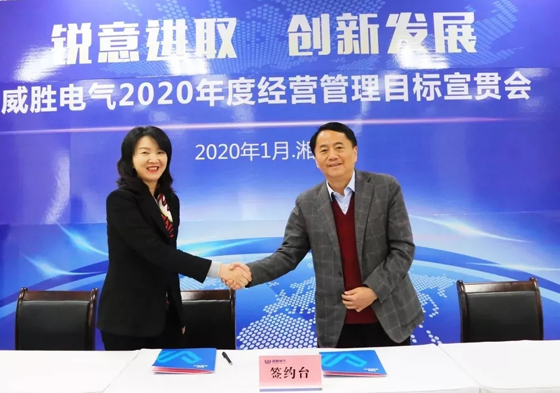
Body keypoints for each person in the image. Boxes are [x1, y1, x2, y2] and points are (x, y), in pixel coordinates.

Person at [225, 122, 423, 348]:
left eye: (339, 147)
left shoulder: (385, 188)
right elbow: (289, 254)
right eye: (324, 150)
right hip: (337, 323)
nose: (332, 156)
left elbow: (402, 249)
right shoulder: (307, 202)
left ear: (354, 152)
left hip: (389, 316)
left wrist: (373, 290)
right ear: (316, 160)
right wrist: (249, 272)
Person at [98, 126, 251, 351]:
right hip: (127, 320)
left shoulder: (169, 200)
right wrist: (220, 270)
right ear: (130, 159)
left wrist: (178, 316)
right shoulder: (120, 201)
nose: (154, 159)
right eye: (145, 152)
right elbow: (156, 252)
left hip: (166, 319)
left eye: (160, 152)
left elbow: (169, 263)